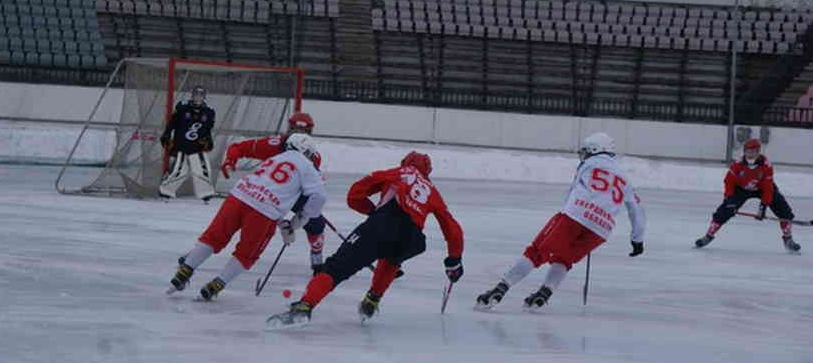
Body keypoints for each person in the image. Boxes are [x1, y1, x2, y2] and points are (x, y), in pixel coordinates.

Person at [265, 151, 464, 329]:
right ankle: (372, 300)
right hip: (413, 237)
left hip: (383, 224)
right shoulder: (432, 190)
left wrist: (371, 212)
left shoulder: (396, 173)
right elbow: (452, 228)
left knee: (336, 267)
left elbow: (355, 194)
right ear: (427, 172)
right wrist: (453, 262)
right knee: (392, 257)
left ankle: (305, 306)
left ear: (405, 163)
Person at [475, 132, 646, 310]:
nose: (584, 155)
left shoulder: (588, 164)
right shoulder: (625, 178)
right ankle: (544, 293)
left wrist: (564, 213)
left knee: (536, 252)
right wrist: (637, 239)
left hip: (575, 215)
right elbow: (637, 209)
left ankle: (500, 289)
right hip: (601, 228)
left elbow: (573, 190)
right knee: (565, 259)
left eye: (587, 151)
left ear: (596, 150)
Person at [166, 133, 327, 300]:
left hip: (239, 195)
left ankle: (185, 270)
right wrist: (300, 219)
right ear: (306, 152)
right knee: (247, 253)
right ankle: (217, 284)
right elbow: (320, 196)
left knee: (213, 237)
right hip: (264, 210)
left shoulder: (277, 156)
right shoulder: (307, 166)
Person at [219, 111, 328, 272]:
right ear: (289, 129)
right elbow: (239, 147)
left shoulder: (313, 154)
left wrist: (307, 211)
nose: (298, 135)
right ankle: (203, 250)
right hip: (266, 193)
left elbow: (313, 186)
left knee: (317, 224)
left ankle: (317, 256)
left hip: (293, 194)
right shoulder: (273, 144)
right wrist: (230, 160)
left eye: (303, 132)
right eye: (294, 131)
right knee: (246, 220)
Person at [695, 138, 801, 252]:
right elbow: (729, 182)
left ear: (759, 152)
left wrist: (763, 206)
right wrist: (729, 199)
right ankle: (709, 235)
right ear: (745, 151)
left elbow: (768, 187)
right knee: (724, 211)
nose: (752, 154)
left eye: (755, 151)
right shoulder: (737, 164)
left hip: (761, 188)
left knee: (783, 209)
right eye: (749, 151)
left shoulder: (766, 165)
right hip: (741, 189)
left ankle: (788, 238)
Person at [158, 86, 217, 200]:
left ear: (204, 97)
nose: (198, 97)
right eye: (196, 94)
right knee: (180, 171)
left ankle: (205, 192)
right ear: (192, 95)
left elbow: (208, 130)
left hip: (197, 146)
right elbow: (172, 123)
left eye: (201, 95)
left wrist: (208, 140)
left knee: (202, 169)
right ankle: (166, 190)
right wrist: (167, 134)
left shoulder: (209, 112)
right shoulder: (182, 107)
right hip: (181, 145)